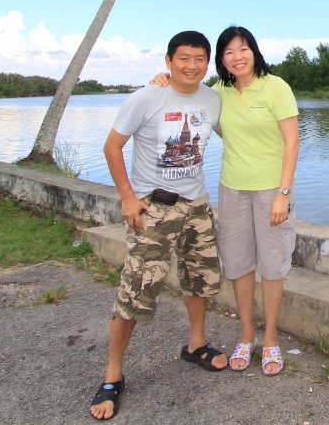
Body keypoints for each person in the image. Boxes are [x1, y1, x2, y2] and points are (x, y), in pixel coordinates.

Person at [89, 30, 228, 421]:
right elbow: (111, 147)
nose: (192, 66)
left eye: (200, 59)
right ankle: (113, 375)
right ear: (168, 61)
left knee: (199, 279)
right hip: (155, 208)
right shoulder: (146, 97)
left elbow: (239, 131)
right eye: (184, 58)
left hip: (196, 206)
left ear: (207, 62)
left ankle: (196, 345)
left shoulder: (213, 99)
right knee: (136, 290)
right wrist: (128, 198)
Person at [151, 25, 299, 376]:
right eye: (229, 52)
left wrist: (283, 194)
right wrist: (163, 80)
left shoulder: (276, 87)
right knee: (239, 265)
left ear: (254, 52)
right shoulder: (218, 93)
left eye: (243, 49)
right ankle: (246, 335)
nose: (238, 57)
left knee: (274, 265)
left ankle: (272, 338)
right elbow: (187, 96)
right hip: (232, 188)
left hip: (271, 190)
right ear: (221, 59)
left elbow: (292, 143)